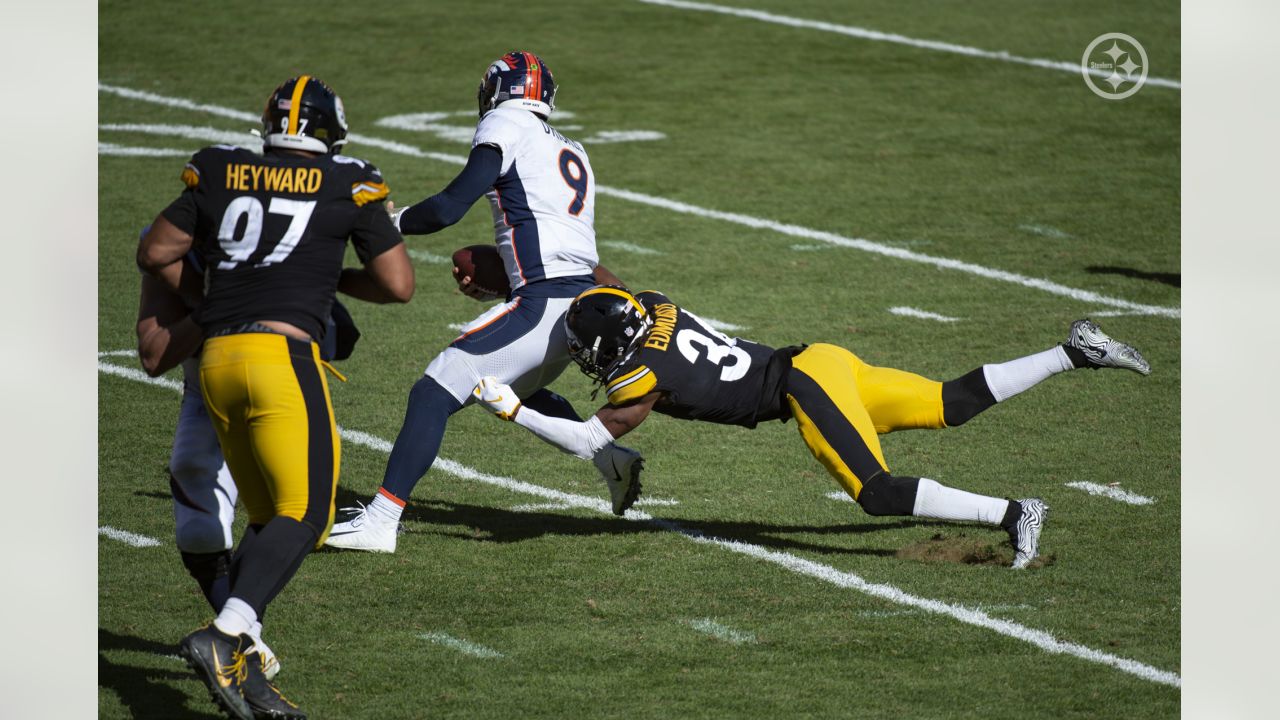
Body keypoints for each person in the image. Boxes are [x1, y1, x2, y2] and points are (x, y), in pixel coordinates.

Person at [472, 286, 1153, 569]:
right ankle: (1075, 350)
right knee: (949, 402)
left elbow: (588, 440)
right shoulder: (651, 304)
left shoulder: (638, 378)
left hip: (801, 387)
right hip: (822, 360)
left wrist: (510, 407)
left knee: (877, 492)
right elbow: (606, 285)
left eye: (591, 348)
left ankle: (1017, 513)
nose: (587, 360)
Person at [136, 75, 414, 720]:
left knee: (265, 521)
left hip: (217, 361)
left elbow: (156, 250)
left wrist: (230, 278)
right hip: (280, 359)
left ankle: (246, 658)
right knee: (309, 513)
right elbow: (397, 285)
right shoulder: (350, 179)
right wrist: (315, 271)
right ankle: (227, 634)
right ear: (331, 133)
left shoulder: (219, 168)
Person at [325, 51, 643, 554]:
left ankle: (381, 520)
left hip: (546, 300)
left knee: (434, 388)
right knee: (516, 384)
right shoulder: (572, 148)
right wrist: (505, 281)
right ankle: (612, 459)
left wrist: (388, 222)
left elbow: (451, 206)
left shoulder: (505, 121)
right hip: (578, 300)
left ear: (499, 90)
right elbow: (552, 234)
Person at [136, 243, 362, 682]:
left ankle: (234, 635)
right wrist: (213, 310)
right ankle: (243, 639)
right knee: (200, 527)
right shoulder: (168, 250)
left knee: (300, 510)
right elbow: (152, 355)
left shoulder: (281, 239)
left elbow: (345, 336)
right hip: (206, 386)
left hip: (278, 379)